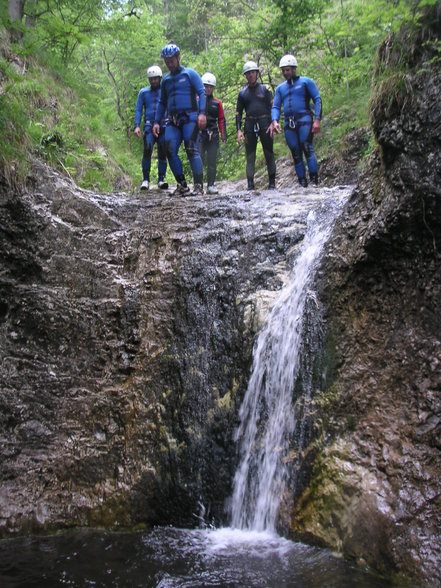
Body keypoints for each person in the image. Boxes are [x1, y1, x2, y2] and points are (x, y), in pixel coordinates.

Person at [153, 43, 206, 196]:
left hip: (190, 117)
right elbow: (162, 102)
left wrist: (202, 113)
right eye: (166, 61)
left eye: (171, 60)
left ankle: (198, 186)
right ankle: (182, 184)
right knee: (169, 150)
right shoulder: (166, 81)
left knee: (191, 148)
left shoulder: (190, 74)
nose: (169, 64)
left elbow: (202, 92)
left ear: (178, 58)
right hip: (172, 120)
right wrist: (156, 122)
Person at [268, 54, 321, 187]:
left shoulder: (306, 82)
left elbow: (317, 99)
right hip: (289, 124)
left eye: (288, 70)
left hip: (305, 120)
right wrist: (274, 121)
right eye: (283, 70)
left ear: (294, 69)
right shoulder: (280, 89)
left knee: (307, 148)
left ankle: (314, 182)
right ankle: (302, 183)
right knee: (296, 154)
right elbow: (275, 106)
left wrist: (317, 120)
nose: (285, 73)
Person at [236, 61, 276, 191]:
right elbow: (238, 112)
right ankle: (250, 185)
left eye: (252, 72)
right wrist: (238, 130)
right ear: (245, 76)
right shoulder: (242, 94)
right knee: (250, 156)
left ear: (257, 73)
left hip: (265, 123)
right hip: (249, 124)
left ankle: (272, 184)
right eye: (248, 73)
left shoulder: (265, 90)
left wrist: (273, 122)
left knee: (269, 153)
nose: (250, 75)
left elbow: (273, 107)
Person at [134, 65, 168, 191]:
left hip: (163, 125)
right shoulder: (143, 92)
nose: (153, 81)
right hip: (148, 125)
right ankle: (146, 180)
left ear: (160, 78)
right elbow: (138, 110)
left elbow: (170, 106)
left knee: (163, 152)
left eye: (155, 79)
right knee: (147, 150)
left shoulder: (165, 91)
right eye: (151, 79)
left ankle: (161, 179)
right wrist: (137, 125)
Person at [199, 72, 227, 194]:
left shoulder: (217, 103)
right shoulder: (197, 100)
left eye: (210, 87)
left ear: (213, 88)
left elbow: (221, 119)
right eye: (205, 86)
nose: (208, 89)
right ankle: (198, 185)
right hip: (200, 134)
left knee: (211, 161)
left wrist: (223, 134)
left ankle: (210, 185)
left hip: (213, 134)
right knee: (198, 159)